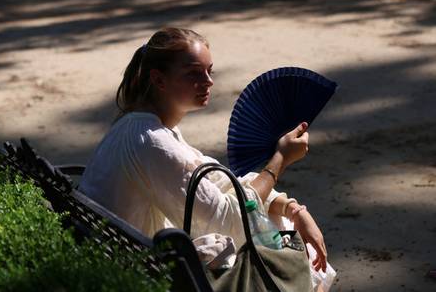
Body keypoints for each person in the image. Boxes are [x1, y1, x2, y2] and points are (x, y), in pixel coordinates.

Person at [79, 27, 334, 290]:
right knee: (293, 248)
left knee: (285, 228)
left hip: (132, 253)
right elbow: (230, 222)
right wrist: (280, 158)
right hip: (139, 271)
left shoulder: (144, 127)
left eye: (209, 71)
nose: (209, 81)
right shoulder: (151, 140)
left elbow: (217, 181)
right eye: (193, 73)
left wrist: (292, 208)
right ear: (159, 80)